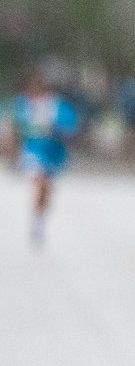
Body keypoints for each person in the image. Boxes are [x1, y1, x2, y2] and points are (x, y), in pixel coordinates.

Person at [6, 70, 80, 248]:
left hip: (54, 153)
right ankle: (37, 220)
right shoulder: (20, 104)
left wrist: (59, 129)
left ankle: (39, 217)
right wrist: (12, 150)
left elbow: (72, 126)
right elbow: (9, 126)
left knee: (47, 190)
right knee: (40, 182)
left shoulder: (57, 105)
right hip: (32, 151)